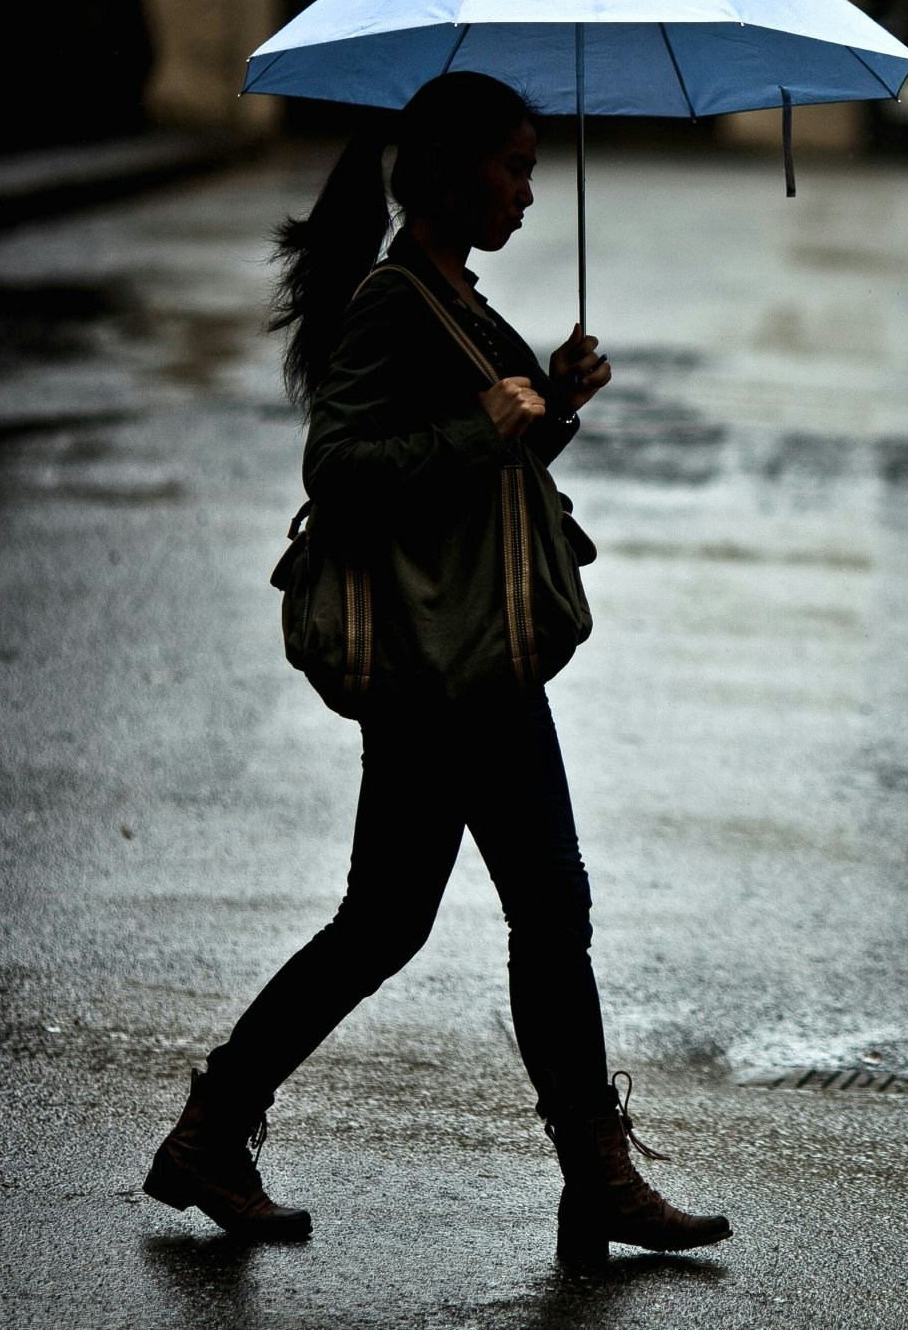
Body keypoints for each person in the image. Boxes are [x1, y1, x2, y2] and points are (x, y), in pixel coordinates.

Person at [142, 71, 729, 1263]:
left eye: (528, 164)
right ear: (455, 171)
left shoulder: (452, 294)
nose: (526, 187)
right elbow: (338, 466)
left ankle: (214, 1130)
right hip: (453, 665)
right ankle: (595, 1180)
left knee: (392, 920)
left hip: (464, 658)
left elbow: (485, 456)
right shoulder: (394, 298)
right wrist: (487, 428)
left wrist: (553, 406)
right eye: (513, 166)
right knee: (535, 909)